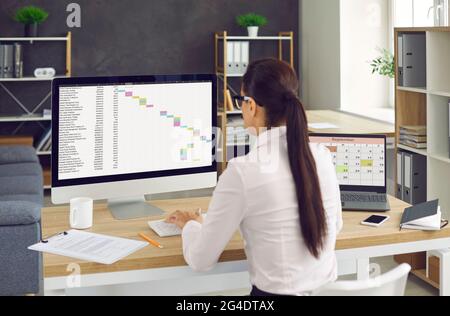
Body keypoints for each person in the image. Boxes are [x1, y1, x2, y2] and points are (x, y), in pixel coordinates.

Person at [166, 58, 343, 296]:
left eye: (241, 100)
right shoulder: (321, 156)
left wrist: (191, 225)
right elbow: (336, 225)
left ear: (251, 106)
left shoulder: (242, 171)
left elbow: (200, 260)